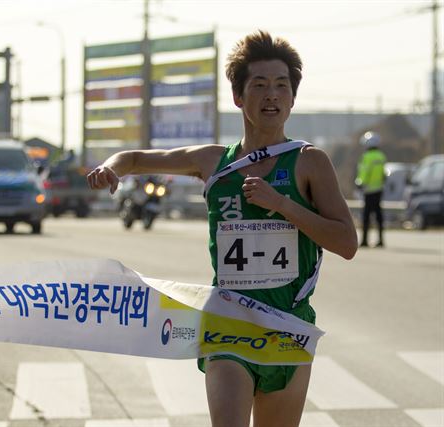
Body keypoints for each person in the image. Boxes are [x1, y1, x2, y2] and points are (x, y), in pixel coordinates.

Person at [87, 30, 357, 427]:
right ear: (238, 97)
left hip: (289, 323)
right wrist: (111, 167)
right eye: (259, 85)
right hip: (229, 322)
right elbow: (134, 157)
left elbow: (347, 243)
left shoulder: (309, 162)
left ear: (293, 98)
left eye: (282, 86)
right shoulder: (214, 161)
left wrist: (282, 204)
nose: (272, 95)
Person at [355, 131, 387, 247]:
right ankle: (381, 240)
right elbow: (383, 174)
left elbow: (364, 172)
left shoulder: (366, 157)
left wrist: (360, 183)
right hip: (379, 189)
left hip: (368, 190)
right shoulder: (381, 156)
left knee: (366, 216)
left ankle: (364, 240)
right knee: (379, 215)